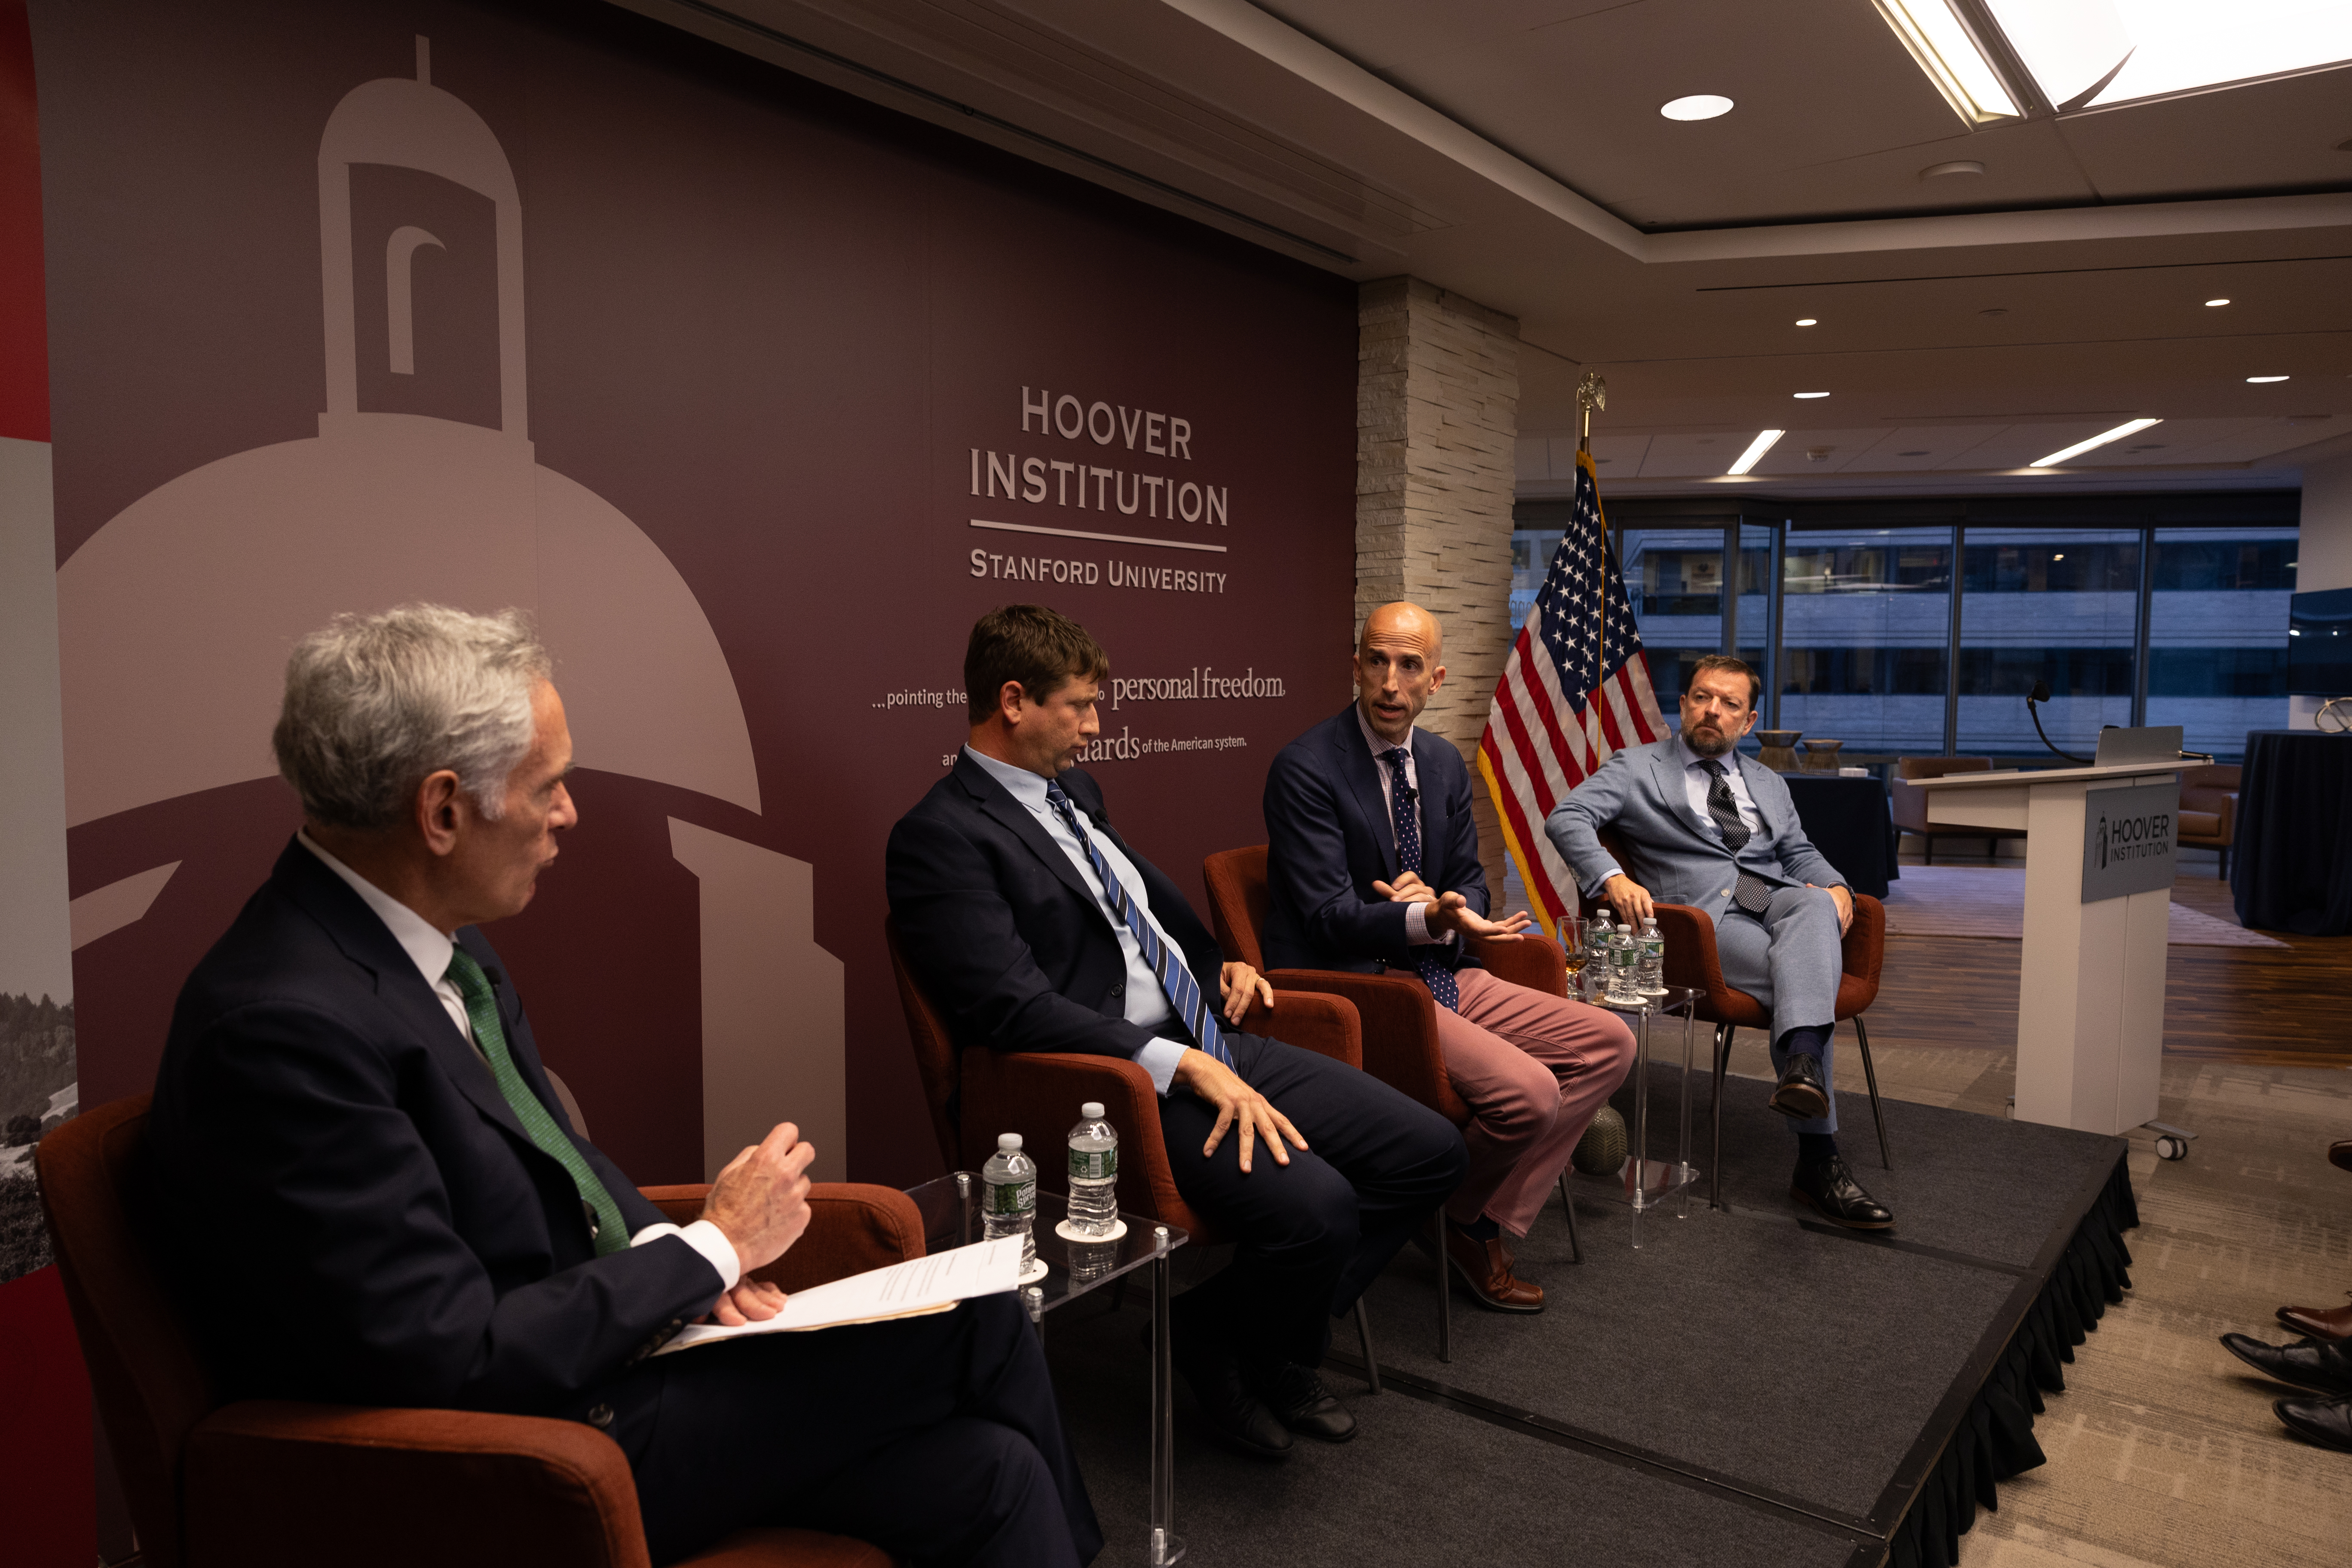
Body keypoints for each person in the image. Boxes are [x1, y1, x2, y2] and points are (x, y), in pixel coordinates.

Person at [146, 604, 1098, 1568]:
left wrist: (678, 1256)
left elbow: (558, 1159)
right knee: (984, 1327)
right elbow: (449, 1357)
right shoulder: (281, 1030)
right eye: (549, 786)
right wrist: (711, 1251)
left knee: (991, 1474)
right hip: (532, 1452)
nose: (569, 814)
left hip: (608, 1365)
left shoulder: (441, 946)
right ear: (441, 811)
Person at [886, 604, 1466, 1463]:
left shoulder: (1075, 793)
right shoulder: (940, 837)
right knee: (1321, 1208)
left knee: (1431, 1150)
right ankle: (1256, 1347)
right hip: (1109, 1085)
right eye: (1080, 706)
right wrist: (1178, 1063)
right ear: (1013, 701)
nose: (1096, 725)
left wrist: (1221, 963)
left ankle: (1219, 1330)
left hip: (1207, 1036)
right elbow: (1009, 1009)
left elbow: (1143, 911)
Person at [1260, 601, 1635, 1311]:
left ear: (1435, 679)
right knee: (1529, 1094)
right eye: (1377, 661)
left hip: (1439, 968)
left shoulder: (1439, 763)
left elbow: (1471, 881)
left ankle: (1463, 1211)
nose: (1390, 683)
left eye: (1408, 667)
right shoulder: (1306, 768)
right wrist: (1415, 917)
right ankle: (1461, 1223)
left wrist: (1442, 907)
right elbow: (1326, 919)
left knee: (1610, 1043)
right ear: (1356, 667)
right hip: (1362, 986)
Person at [1545, 653, 1895, 1229]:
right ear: (1683, 704)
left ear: (1749, 721)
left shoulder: (1767, 782)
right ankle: (1819, 1159)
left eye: (1730, 704)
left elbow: (1799, 855)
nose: (1713, 711)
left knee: (1811, 902)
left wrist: (1837, 887)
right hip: (1701, 917)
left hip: (1766, 895)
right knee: (1803, 970)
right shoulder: (1636, 768)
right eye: (1703, 697)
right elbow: (1568, 818)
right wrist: (1612, 876)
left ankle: (1803, 1064)